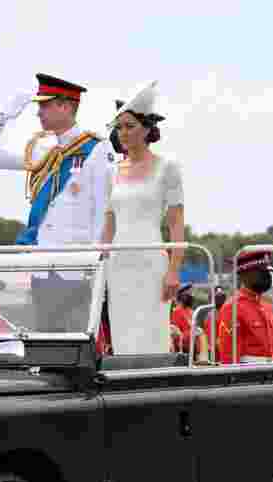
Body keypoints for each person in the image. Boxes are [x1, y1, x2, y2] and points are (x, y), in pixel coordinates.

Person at [0, 73, 113, 248]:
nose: (38, 113)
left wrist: (97, 260)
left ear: (64, 106)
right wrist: (2, 118)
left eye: (44, 105)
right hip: (38, 254)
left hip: (75, 261)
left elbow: (104, 210)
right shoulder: (40, 148)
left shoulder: (96, 149)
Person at [100, 81, 184, 354]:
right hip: (119, 263)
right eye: (119, 127)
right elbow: (109, 224)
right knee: (123, 334)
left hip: (151, 262)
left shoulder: (167, 167)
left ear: (147, 129)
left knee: (152, 332)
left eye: (130, 126)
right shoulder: (112, 171)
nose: (123, 133)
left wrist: (173, 269)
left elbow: (175, 223)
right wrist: (99, 262)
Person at [217, 251, 273, 364]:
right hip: (248, 374)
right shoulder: (233, 307)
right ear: (245, 274)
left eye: (268, 271)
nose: (267, 275)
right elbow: (229, 355)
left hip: (271, 370)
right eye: (262, 271)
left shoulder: (266, 305)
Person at [170, 284, 199, 358]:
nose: (191, 296)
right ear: (182, 296)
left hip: (193, 348)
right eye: (189, 294)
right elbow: (176, 334)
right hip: (184, 350)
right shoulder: (177, 312)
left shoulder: (191, 311)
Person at [200, 285, 226, 362]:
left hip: (223, 354)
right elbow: (212, 341)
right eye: (218, 297)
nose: (220, 298)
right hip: (216, 356)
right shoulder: (212, 316)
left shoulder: (223, 312)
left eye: (221, 296)